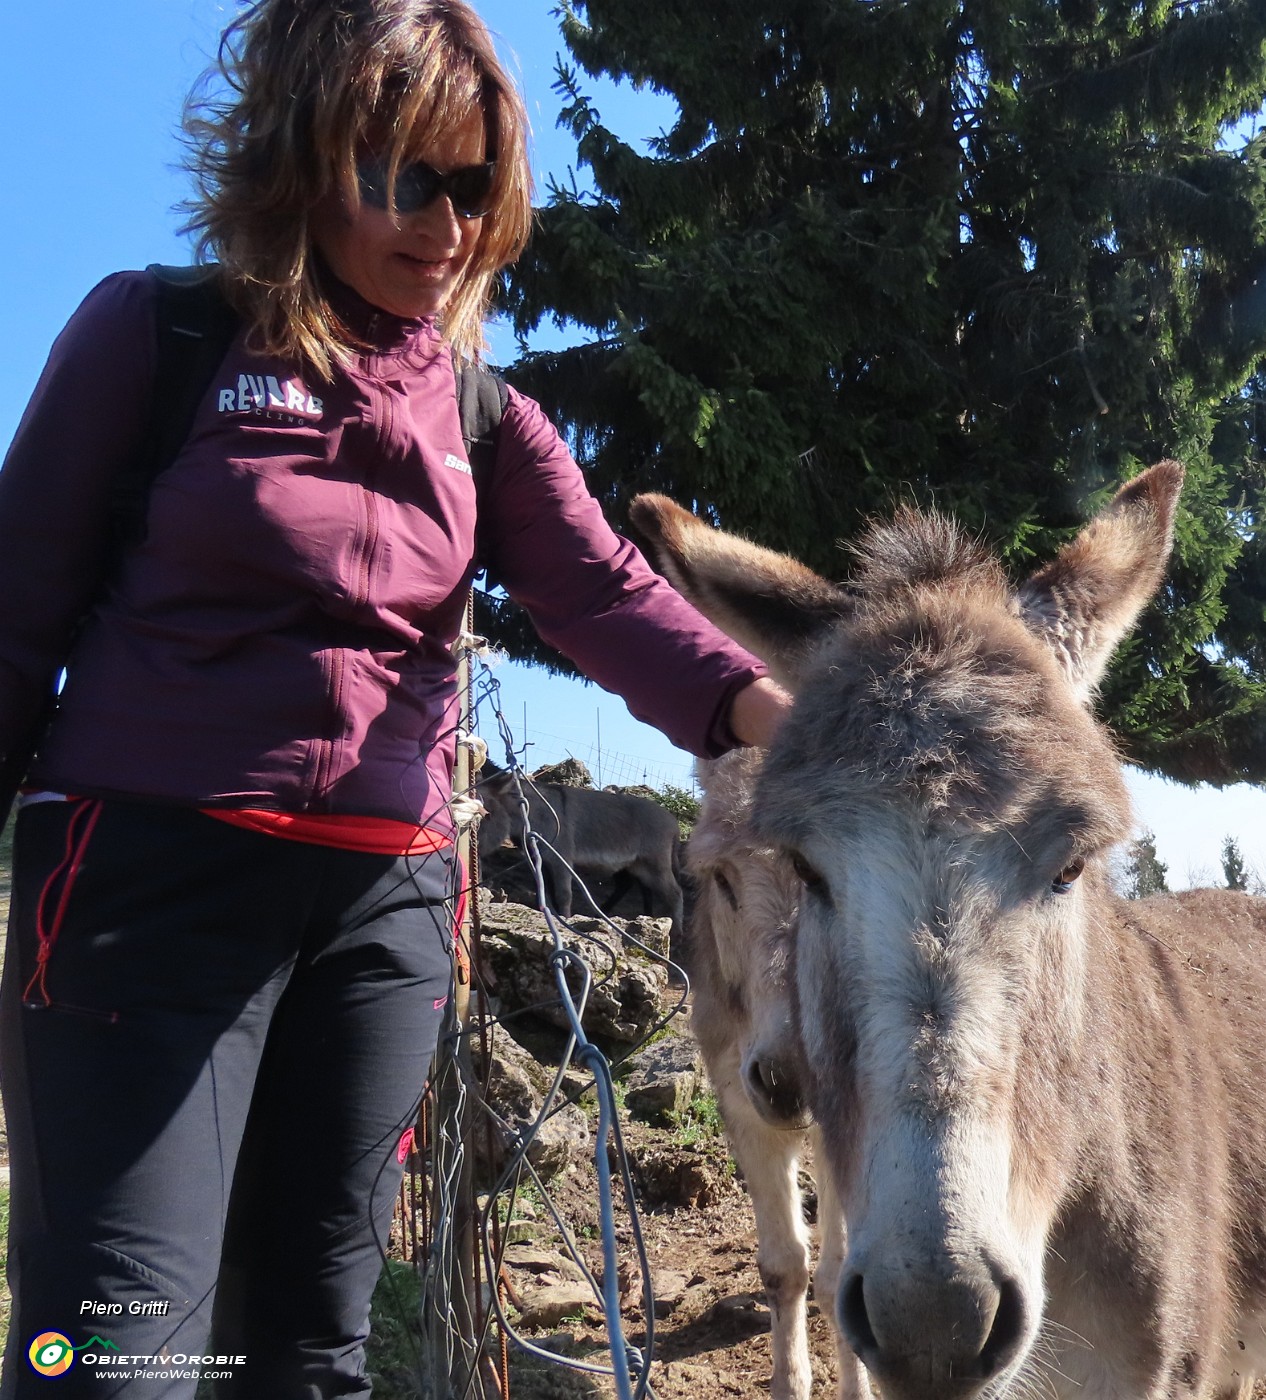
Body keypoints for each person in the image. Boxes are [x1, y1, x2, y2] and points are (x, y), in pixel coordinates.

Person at [0, 1, 790, 1396]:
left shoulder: (485, 419)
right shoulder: (164, 336)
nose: (441, 223)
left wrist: (766, 713)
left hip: (380, 916)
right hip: (144, 890)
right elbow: (14, 613)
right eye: (399, 175)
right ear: (306, 162)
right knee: (112, 1354)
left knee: (306, 1350)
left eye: (474, 185)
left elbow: (603, 594)